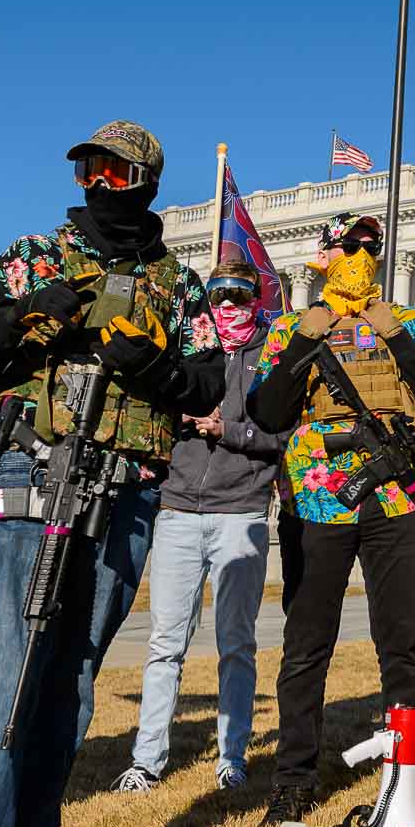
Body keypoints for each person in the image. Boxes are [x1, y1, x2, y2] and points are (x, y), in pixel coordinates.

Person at [0, 121, 223, 827]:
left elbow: (206, 386)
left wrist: (149, 361)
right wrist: (36, 312)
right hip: (39, 473)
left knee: (74, 676)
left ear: (147, 182)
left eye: (114, 173)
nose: (97, 185)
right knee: (8, 667)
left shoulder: (179, 283)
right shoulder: (33, 257)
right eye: (87, 170)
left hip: (124, 489)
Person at [246, 212, 415, 827]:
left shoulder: (410, 322)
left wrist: (392, 332)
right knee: (306, 645)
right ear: (323, 254)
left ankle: (407, 779)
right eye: (350, 245)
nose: (363, 254)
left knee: (402, 644)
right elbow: (267, 409)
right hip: (317, 498)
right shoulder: (292, 325)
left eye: (372, 245)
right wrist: (305, 338)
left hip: (395, 497)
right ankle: (293, 782)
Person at [113, 259, 286, 795]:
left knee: (236, 642)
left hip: (242, 512)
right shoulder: (187, 350)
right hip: (179, 509)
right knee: (166, 641)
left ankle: (231, 757)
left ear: (257, 299)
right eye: (220, 295)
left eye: (240, 295)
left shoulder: (270, 359)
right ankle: (147, 760)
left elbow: (281, 436)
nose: (229, 305)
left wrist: (227, 429)